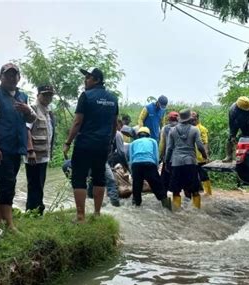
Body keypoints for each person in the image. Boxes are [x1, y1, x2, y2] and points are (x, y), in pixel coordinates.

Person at [0, 63, 37, 231]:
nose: (12, 78)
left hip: (15, 149)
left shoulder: (23, 96)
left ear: (19, 77)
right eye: (8, 75)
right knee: (8, 185)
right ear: (0, 77)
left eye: (15, 75)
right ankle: (10, 225)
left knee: (3, 185)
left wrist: (28, 110)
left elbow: (31, 120)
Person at [63, 67, 118, 223]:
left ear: (97, 80)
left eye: (88, 77)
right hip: (102, 146)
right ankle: (97, 213)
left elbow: (77, 122)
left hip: (85, 144)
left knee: (79, 178)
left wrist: (68, 142)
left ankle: (80, 216)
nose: (85, 80)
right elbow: (114, 124)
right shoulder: (113, 99)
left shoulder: (86, 96)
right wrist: (110, 141)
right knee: (99, 177)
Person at [165, 109, 207, 210]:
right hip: (190, 162)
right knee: (194, 190)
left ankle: (177, 213)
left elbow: (169, 148)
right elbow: (200, 146)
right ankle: (197, 211)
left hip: (176, 163)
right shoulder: (194, 130)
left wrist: (167, 162)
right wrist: (205, 155)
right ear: (189, 119)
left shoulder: (172, 130)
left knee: (176, 190)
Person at [24, 85, 55, 215]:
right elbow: (26, 130)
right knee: (34, 185)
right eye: (45, 94)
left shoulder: (49, 112)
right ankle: (32, 212)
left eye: (50, 95)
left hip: (43, 155)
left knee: (39, 184)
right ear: (38, 95)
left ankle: (38, 210)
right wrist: (30, 151)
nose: (48, 97)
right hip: (34, 155)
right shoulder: (32, 109)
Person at [129, 127, 171, 209]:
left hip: (136, 164)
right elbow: (156, 155)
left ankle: (136, 204)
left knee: (136, 185)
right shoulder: (153, 141)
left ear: (138, 135)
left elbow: (131, 158)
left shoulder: (133, 143)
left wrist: (132, 171)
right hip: (149, 163)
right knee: (157, 185)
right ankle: (166, 205)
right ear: (148, 135)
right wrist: (156, 166)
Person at [222, 96, 249, 162]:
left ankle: (247, 156)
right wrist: (232, 135)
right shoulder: (233, 110)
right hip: (235, 123)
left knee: (248, 138)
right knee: (230, 139)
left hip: (246, 123)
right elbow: (231, 123)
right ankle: (229, 156)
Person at [191, 111, 212, 195]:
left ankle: (208, 193)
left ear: (197, 119)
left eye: (194, 117)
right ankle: (198, 192)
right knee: (193, 176)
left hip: (200, 157)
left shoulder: (202, 129)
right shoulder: (188, 128)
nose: (192, 119)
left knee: (204, 176)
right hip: (191, 158)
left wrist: (206, 156)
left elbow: (205, 143)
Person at [159, 111, 179, 190]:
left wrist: (161, 156)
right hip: (179, 158)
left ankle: (166, 198)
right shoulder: (183, 127)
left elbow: (162, 144)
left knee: (165, 181)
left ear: (169, 119)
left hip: (168, 157)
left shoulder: (165, 128)